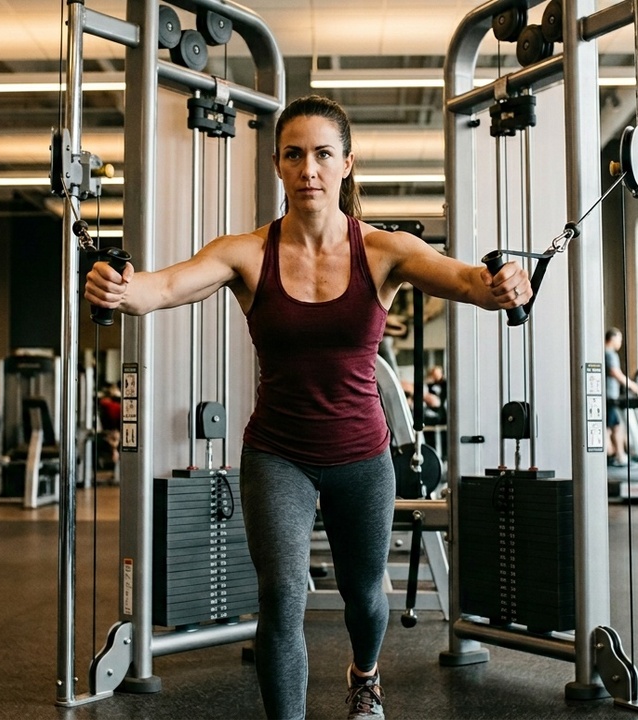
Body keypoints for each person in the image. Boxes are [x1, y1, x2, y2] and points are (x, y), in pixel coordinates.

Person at [83, 95, 531, 720]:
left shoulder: (384, 250)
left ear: (347, 164)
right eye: (295, 155)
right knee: (282, 594)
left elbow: (468, 282)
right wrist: (119, 286)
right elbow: (159, 287)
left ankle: (365, 674)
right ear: (277, 165)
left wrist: (506, 282)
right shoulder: (245, 253)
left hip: (362, 455)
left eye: (323, 154)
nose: (309, 169)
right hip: (277, 453)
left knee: (365, 598)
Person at [604, 328, 638, 466]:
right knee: (615, 427)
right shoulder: (610, 354)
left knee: (611, 427)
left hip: (609, 396)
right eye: (619, 339)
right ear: (612, 338)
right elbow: (616, 373)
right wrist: (633, 386)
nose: (620, 342)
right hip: (609, 397)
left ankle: (616, 455)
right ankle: (619, 456)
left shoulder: (606, 353)